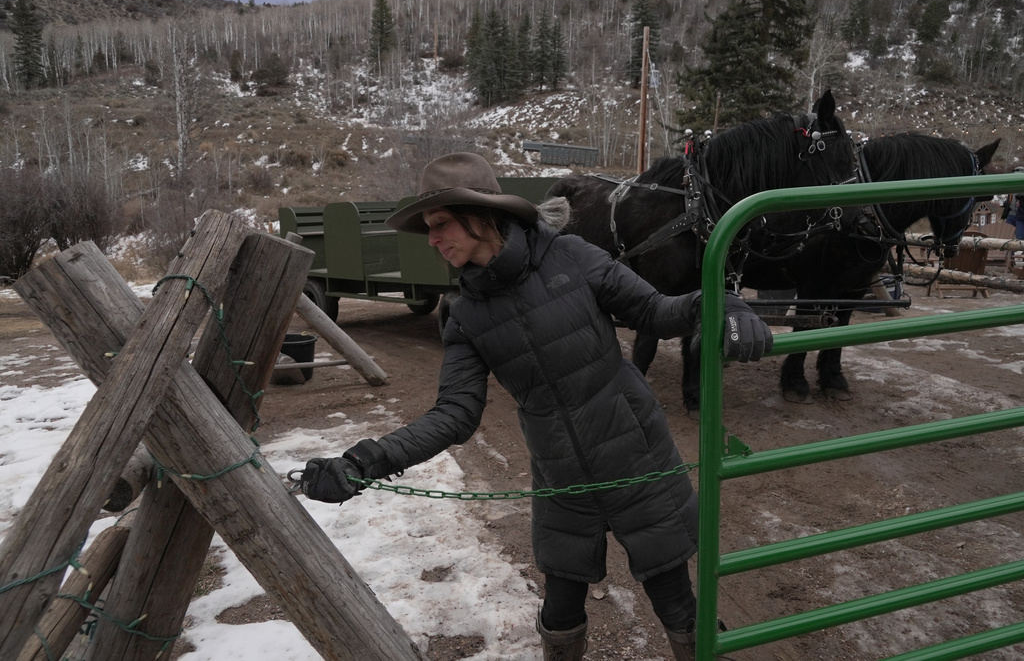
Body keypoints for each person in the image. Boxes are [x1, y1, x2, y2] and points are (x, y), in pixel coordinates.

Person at [299, 152, 773, 661]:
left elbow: (655, 311)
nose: (432, 240)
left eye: (440, 225)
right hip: (561, 477)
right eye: (428, 230)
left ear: (481, 217)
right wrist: (365, 461)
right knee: (560, 611)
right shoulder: (464, 315)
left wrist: (720, 303)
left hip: (637, 458)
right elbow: (454, 414)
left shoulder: (572, 256)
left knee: (675, 600)